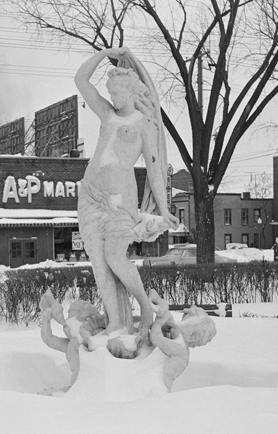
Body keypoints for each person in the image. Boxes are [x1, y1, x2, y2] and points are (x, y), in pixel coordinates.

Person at [75, 47, 179, 343]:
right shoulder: (107, 114)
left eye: (118, 93)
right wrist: (105, 53)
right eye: (111, 93)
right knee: (98, 262)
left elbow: (155, 170)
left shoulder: (145, 124)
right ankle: (116, 323)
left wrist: (164, 207)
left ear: (133, 91)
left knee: (114, 257)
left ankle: (146, 307)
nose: (114, 98)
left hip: (121, 201)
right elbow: (81, 79)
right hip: (91, 195)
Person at [147, 290, 217, 390]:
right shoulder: (179, 342)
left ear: (192, 337)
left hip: (158, 385)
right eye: (182, 321)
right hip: (154, 379)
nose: (178, 325)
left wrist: (160, 321)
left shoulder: (181, 350)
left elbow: (156, 338)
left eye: (184, 324)